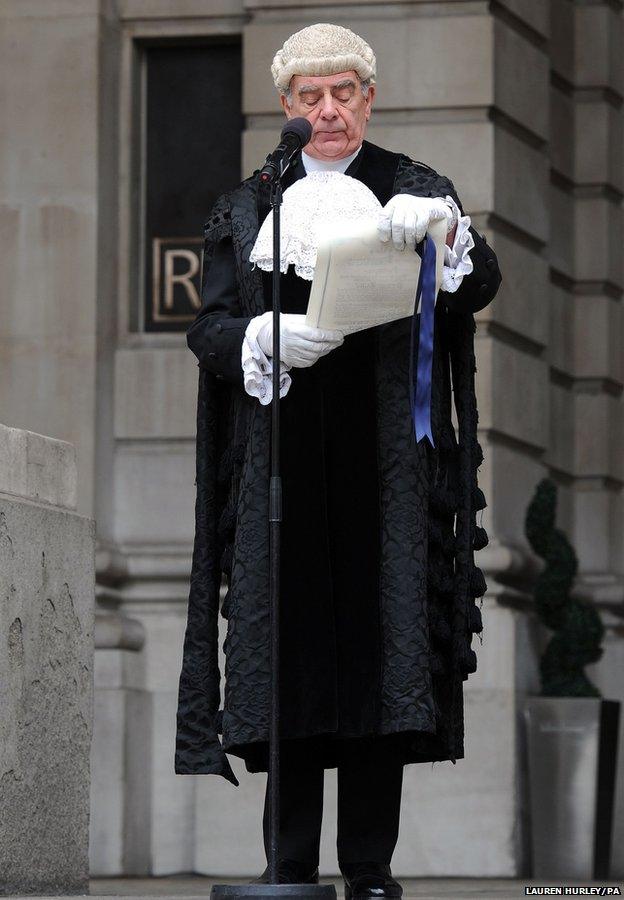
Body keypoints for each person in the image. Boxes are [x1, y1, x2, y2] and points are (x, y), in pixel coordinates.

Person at [174, 22, 502, 897]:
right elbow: (207, 329)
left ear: (368, 96)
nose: (328, 110)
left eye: (344, 92)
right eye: (310, 97)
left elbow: (481, 283)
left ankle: (370, 872)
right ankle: (287, 870)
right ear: (285, 106)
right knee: (290, 666)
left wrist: (444, 240)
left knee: (379, 660)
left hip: (387, 470)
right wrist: (261, 333)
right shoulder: (250, 204)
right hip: (281, 465)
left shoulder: (415, 187)